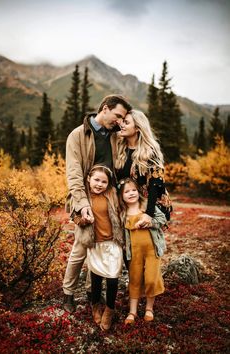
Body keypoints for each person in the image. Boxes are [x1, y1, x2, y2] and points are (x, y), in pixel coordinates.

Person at [63, 94, 132, 313]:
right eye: (118, 115)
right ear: (105, 109)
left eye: (123, 118)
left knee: (104, 244)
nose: (119, 121)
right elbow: (74, 175)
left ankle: (94, 293)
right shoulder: (77, 135)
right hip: (84, 196)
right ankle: (68, 294)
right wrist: (82, 204)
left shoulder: (116, 137)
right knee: (80, 248)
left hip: (110, 199)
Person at [118, 178, 166, 324]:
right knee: (135, 280)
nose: (131, 193)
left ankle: (149, 308)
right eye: (127, 192)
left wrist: (150, 222)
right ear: (121, 196)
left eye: (133, 190)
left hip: (152, 249)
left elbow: (162, 219)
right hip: (134, 253)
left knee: (151, 279)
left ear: (138, 191)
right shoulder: (122, 213)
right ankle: (132, 312)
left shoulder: (146, 205)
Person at [81, 165, 124, 330]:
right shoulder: (84, 197)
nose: (99, 184)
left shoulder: (111, 194)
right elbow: (76, 217)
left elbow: (123, 208)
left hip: (112, 243)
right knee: (96, 278)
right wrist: (84, 220)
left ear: (108, 183)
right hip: (95, 244)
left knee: (113, 278)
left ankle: (110, 309)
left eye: (104, 181)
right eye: (96, 180)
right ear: (89, 179)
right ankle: (95, 306)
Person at [115, 109, 172, 227]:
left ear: (137, 128)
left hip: (150, 205)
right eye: (122, 122)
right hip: (128, 205)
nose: (122, 125)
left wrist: (149, 213)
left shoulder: (150, 151)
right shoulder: (120, 149)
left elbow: (156, 184)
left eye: (126, 122)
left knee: (147, 243)